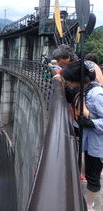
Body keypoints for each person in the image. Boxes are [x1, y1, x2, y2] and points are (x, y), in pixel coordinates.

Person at [61, 61, 103, 211]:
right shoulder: (85, 90)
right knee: (90, 168)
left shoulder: (96, 94)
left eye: (68, 81)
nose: (67, 84)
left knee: (93, 177)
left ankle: (89, 204)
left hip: (98, 145)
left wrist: (90, 121)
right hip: (91, 141)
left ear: (77, 81)